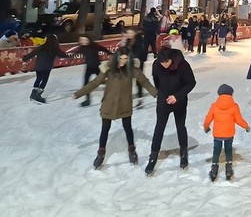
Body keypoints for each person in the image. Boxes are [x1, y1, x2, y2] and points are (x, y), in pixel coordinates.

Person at [72, 47, 157, 169]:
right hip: (109, 104)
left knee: (128, 128)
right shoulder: (109, 69)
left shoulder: (132, 69)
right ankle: (100, 154)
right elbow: (95, 82)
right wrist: (79, 93)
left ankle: (132, 149)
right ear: (116, 58)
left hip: (124, 104)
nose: (122, 61)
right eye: (121, 58)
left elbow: (144, 82)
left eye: (125, 59)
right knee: (105, 129)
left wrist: (156, 93)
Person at [145, 47, 197, 175]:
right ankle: (153, 156)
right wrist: (161, 94)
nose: (164, 65)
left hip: (179, 101)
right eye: (161, 62)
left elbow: (191, 83)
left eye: (166, 62)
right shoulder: (157, 64)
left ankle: (184, 153)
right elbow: (156, 79)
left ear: (171, 59)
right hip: (163, 100)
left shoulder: (183, 65)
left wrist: (177, 96)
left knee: (180, 126)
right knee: (159, 128)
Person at [204, 83, 250, 181]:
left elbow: (208, 118)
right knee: (228, 150)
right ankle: (228, 169)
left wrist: (206, 127)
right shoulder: (234, 106)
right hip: (229, 134)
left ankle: (214, 170)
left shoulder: (214, 106)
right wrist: (246, 126)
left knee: (216, 151)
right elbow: (239, 120)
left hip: (217, 134)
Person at [22, 34, 69, 103]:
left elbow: (30, 55)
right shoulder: (55, 48)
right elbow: (62, 55)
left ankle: (33, 93)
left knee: (38, 79)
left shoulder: (40, 47)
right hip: (47, 67)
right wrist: (68, 55)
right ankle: (38, 95)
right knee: (44, 80)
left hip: (38, 67)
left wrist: (24, 58)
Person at [76, 34, 110, 107]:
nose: (83, 41)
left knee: (103, 81)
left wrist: (111, 54)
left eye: (85, 40)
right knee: (85, 84)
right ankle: (87, 100)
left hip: (97, 67)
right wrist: (67, 56)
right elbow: (75, 53)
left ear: (88, 39)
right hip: (89, 67)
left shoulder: (94, 45)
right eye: (81, 40)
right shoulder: (82, 47)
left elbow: (104, 49)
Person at [120, 29, 148, 106]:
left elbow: (140, 51)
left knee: (138, 81)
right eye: (128, 33)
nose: (129, 34)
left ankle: (140, 97)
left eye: (131, 33)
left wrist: (136, 59)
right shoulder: (128, 41)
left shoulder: (138, 40)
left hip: (138, 63)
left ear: (134, 33)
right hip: (130, 63)